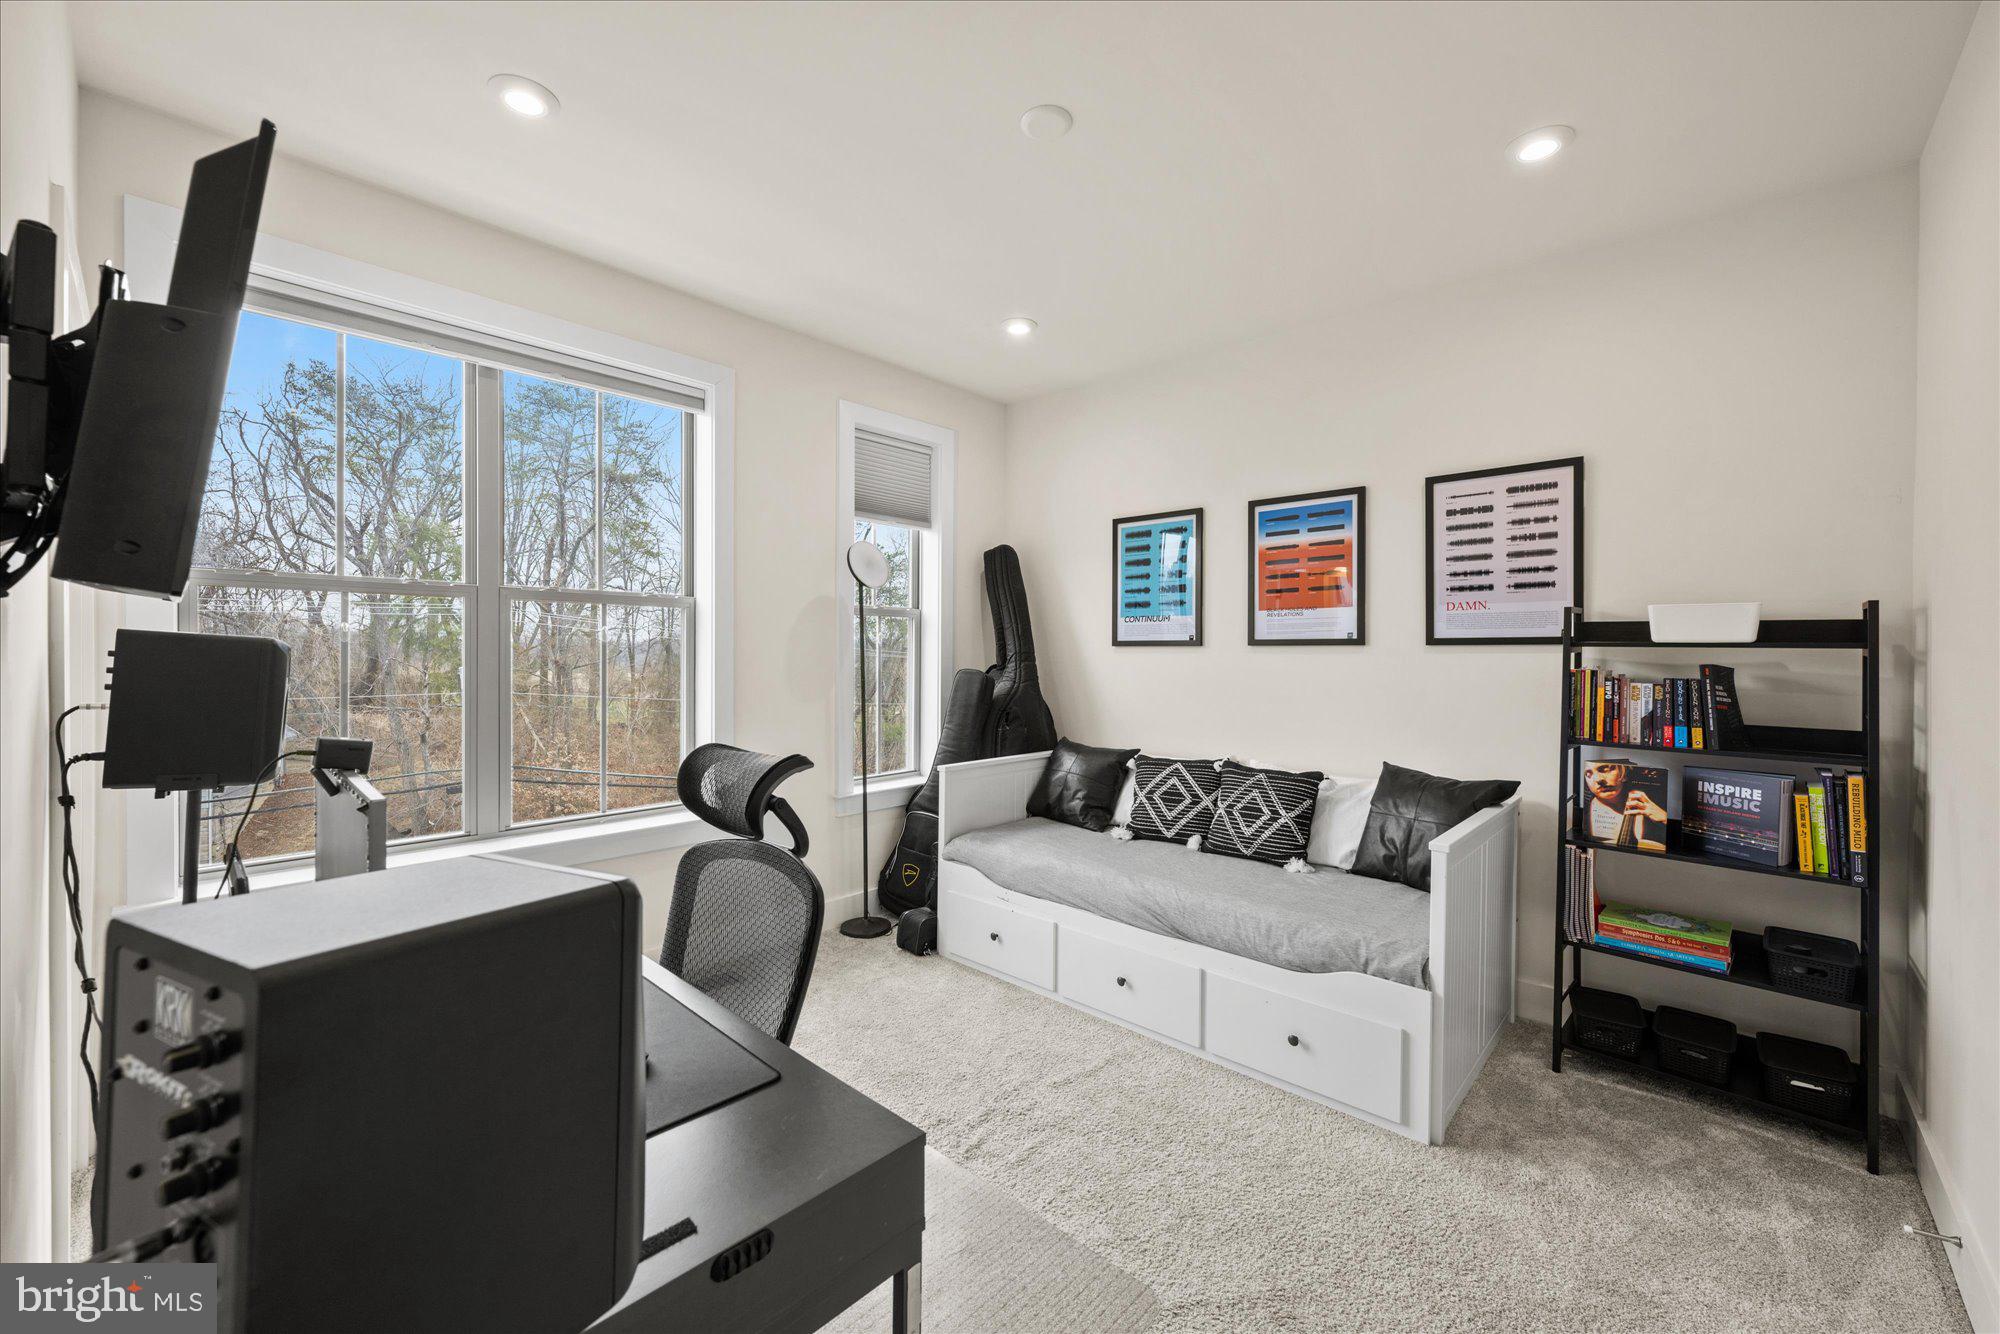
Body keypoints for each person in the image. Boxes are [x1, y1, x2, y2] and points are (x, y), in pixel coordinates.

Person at [1582, 759, 1666, 852]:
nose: (1598, 779)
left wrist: (1664, 817)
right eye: (1588, 775)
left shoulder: (1653, 801)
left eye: (1605, 769)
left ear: (1624, 774)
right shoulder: (1586, 813)